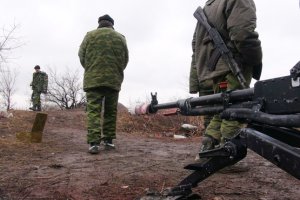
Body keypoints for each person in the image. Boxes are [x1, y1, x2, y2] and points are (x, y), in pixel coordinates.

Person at [191, 0, 263, 153]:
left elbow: (195, 43)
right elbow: (244, 34)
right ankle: (227, 156)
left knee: (222, 109)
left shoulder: (210, 5)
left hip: (216, 68)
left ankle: (207, 148)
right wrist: (255, 61)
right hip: (234, 65)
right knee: (235, 110)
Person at [78, 14, 129, 154]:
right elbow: (125, 59)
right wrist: (116, 70)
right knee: (110, 111)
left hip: (93, 80)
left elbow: (81, 56)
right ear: (112, 24)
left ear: (99, 23)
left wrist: (91, 68)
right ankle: (108, 141)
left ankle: (94, 143)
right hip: (113, 80)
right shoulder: (120, 38)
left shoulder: (90, 36)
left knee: (94, 111)